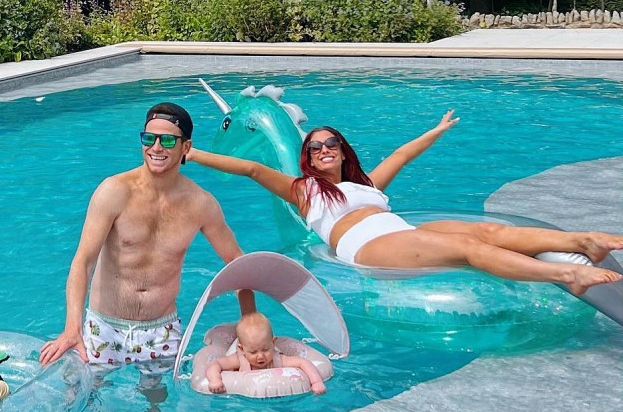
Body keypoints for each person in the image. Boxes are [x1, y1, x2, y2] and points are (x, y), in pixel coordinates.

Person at [187, 110, 623, 295]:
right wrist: (192, 154)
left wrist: (436, 130)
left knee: (491, 232)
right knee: (471, 250)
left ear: (342, 150)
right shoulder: (304, 190)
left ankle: (583, 241)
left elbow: (402, 153)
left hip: (398, 230)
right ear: (307, 158)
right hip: (365, 246)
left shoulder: (367, 185)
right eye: (315, 146)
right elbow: (250, 170)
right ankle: (566, 274)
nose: (323, 149)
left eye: (331, 143)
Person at [39, 102, 255, 375]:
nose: (156, 148)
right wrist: (72, 327)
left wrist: (250, 324)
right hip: (103, 327)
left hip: (161, 331)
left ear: (185, 147)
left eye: (167, 140)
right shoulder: (114, 191)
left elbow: (237, 262)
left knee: (156, 408)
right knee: (89, 397)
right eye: (149, 138)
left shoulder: (200, 204)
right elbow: (83, 262)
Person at [205, 311, 327, 395]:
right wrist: (215, 380)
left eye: (265, 349)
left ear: (273, 343)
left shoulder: (277, 358)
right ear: (242, 350)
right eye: (253, 352)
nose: (260, 356)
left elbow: (303, 362)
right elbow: (215, 364)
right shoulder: (240, 359)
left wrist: (316, 382)